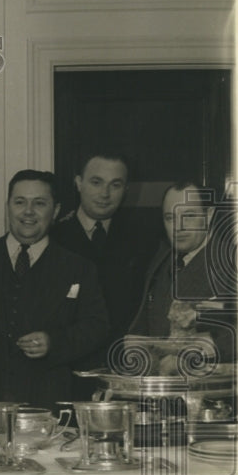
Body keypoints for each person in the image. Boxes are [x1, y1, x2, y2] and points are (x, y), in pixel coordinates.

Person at [0, 170, 109, 410]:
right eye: (20, 202)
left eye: (39, 203)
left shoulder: (78, 268)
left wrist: (55, 342)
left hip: (52, 407)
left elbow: (96, 326)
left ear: (56, 211)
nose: (28, 211)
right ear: (8, 206)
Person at [51, 149, 160, 371]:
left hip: (124, 367)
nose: (105, 194)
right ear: (79, 183)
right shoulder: (53, 238)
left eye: (115, 185)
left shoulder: (144, 239)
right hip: (66, 369)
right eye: (96, 182)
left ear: (126, 189)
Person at [128, 181, 236, 364]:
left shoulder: (236, 261)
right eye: (170, 218)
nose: (179, 227)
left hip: (209, 387)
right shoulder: (161, 259)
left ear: (208, 215)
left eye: (189, 215)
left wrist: (198, 352)